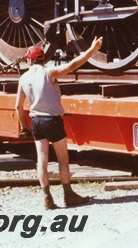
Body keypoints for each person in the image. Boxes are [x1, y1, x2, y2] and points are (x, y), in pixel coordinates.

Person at [16, 37, 103, 210]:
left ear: (29, 60)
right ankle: (68, 194)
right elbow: (72, 66)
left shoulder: (23, 79)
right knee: (63, 159)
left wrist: (25, 126)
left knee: (42, 160)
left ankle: (47, 198)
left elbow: (18, 107)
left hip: (36, 121)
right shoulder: (49, 73)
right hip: (52, 120)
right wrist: (92, 50)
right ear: (42, 59)